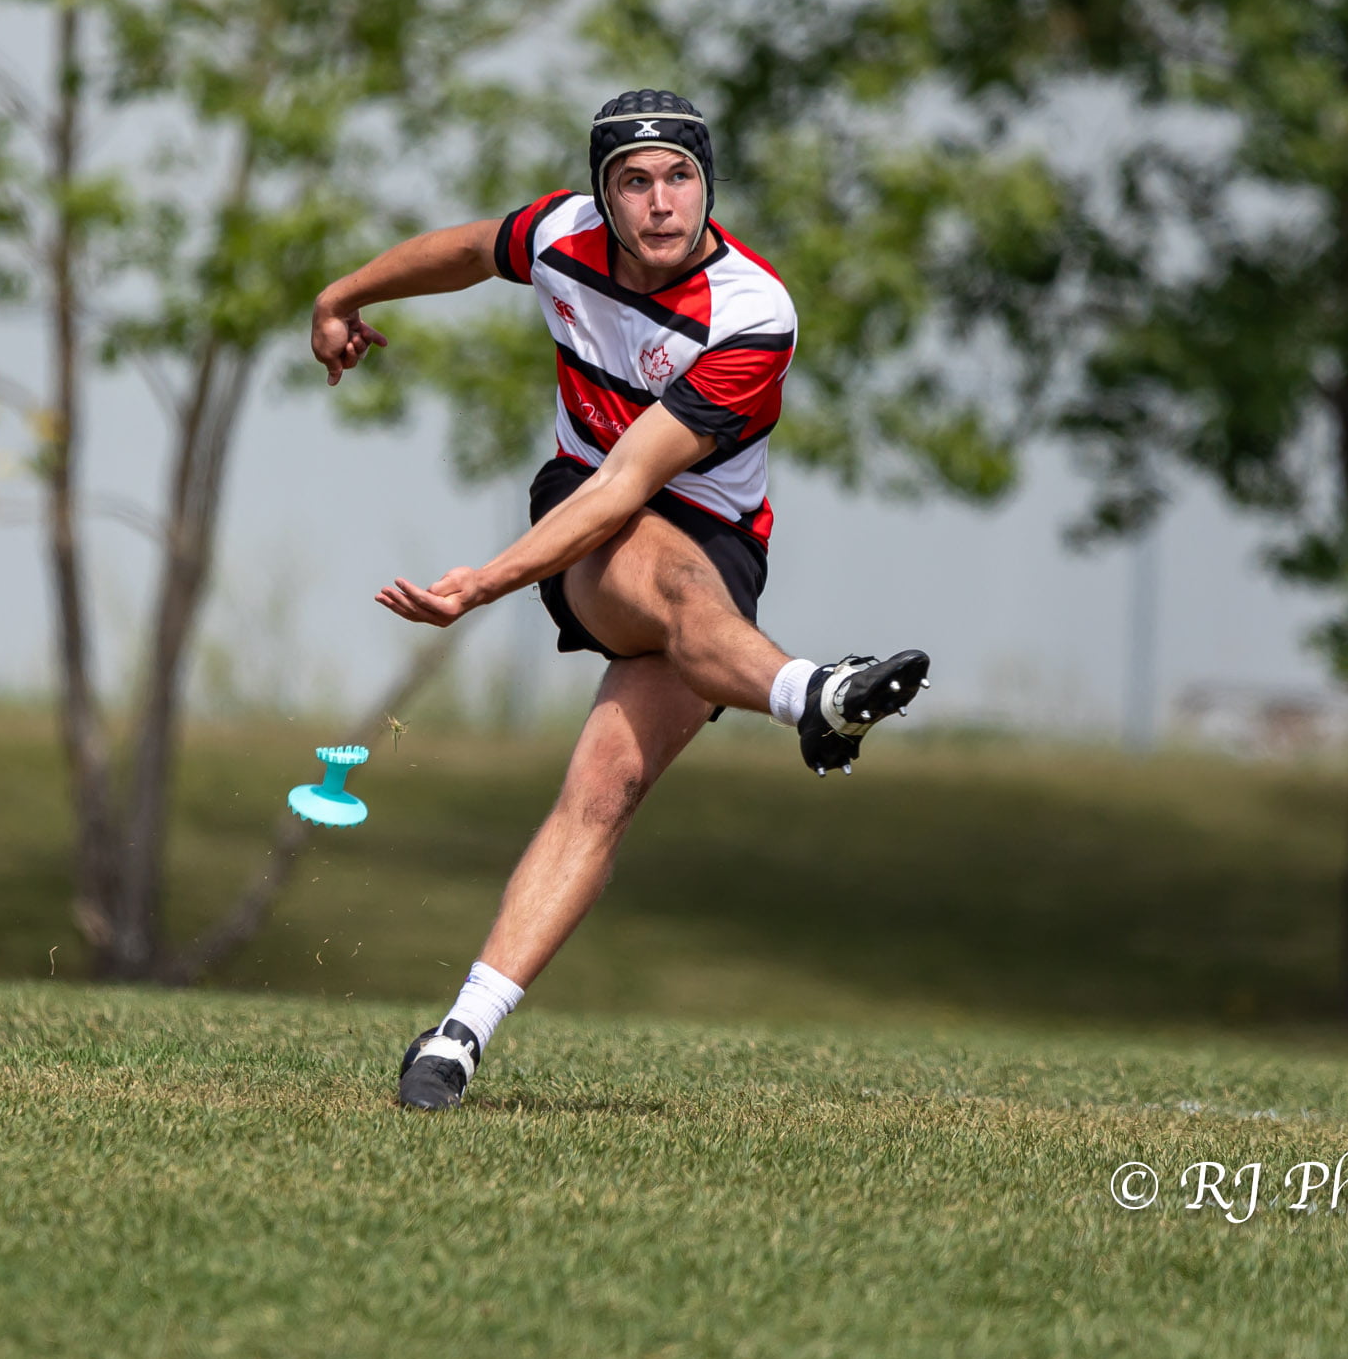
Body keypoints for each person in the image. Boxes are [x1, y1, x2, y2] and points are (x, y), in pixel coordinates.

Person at [309, 89, 927, 1110]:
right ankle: (811, 696)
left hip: (707, 546)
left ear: (707, 185)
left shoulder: (752, 314)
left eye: (679, 176)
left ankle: (458, 1034)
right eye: (632, 180)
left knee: (604, 788)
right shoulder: (561, 235)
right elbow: (468, 251)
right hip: (586, 519)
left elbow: (636, 482)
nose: (658, 201)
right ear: (601, 194)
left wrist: (481, 580)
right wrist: (344, 293)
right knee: (672, 585)